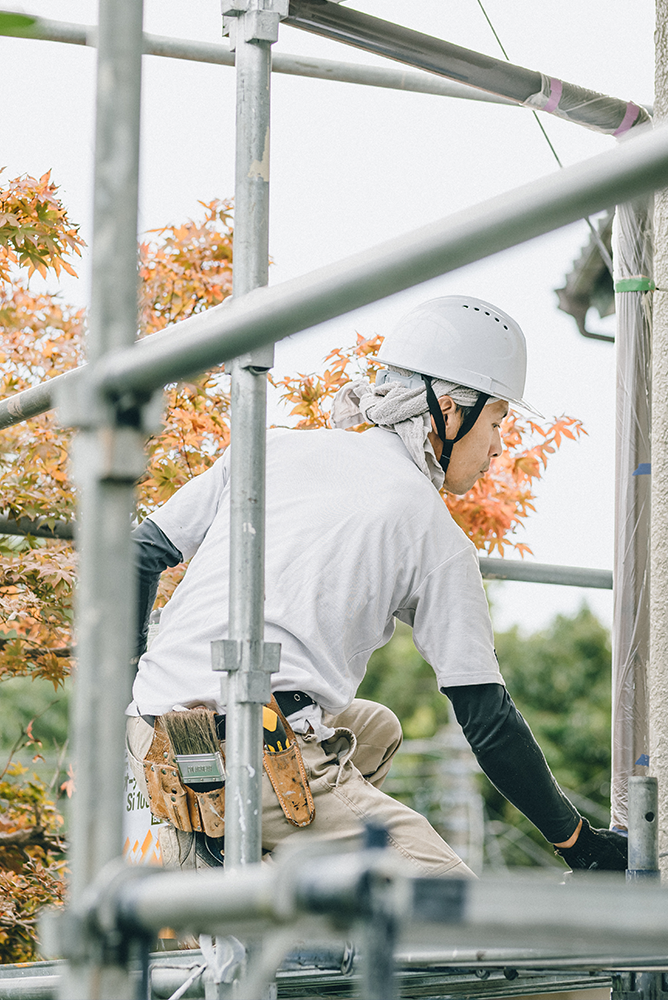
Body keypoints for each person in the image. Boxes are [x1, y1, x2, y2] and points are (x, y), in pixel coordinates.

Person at [126, 295, 627, 875]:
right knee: (457, 908)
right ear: (449, 410)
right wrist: (578, 844)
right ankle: (311, 895)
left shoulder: (277, 446)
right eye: (496, 423)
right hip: (254, 753)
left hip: (155, 732)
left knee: (377, 729)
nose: (497, 448)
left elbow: (140, 552)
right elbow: (487, 717)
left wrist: (132, 692)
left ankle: (278, 870)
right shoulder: (431, 531)